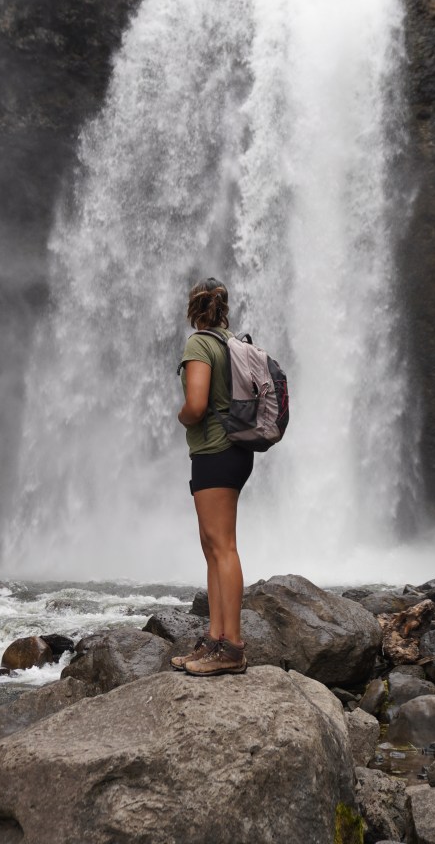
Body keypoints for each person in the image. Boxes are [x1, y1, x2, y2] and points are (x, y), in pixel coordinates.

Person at [171, 277, 253, 676]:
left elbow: (197, 404)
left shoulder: (199, 344)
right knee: (213, 546)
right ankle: (215, 637)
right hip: (232, 452)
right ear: (224, 308)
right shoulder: (232, 342)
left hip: (215, 452)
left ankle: (232, 647)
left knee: (222, 547)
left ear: (194, 309)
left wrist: (181, 415)